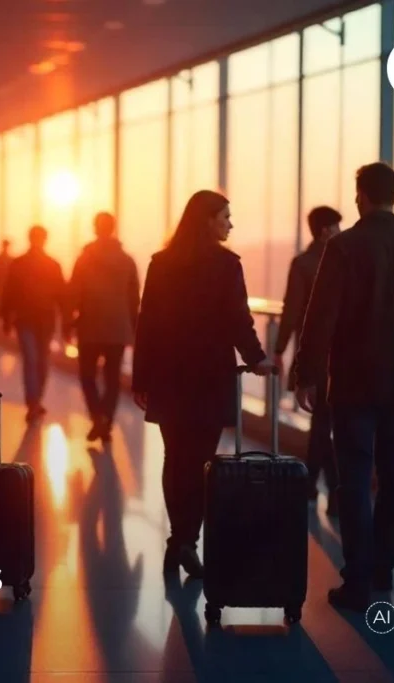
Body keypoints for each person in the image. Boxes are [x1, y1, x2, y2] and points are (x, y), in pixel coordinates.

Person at [293, 162, 394, 612]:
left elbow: (320, 316)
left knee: (354, 477)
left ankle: (358, 576)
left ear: (360, 196)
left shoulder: (344, 248)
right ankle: (386, 563)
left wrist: (307, 374)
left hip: (353, 382)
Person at [132, 190, 273, 580]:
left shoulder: (162, 264)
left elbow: (148, 322)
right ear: (207, 220)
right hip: (209, 375)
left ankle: (180, 541)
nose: (231, 223)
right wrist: (257, 358)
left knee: (175, 458)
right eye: (225, 216)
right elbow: (237, 319)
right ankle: (184, 543)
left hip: (167, 374)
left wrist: (141, 376)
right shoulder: (226, 265)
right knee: (198, 461)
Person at [274, 206, 342, 514]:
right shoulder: (343, 259)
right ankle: (328, 488)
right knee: (327, 422)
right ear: (326, 230)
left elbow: (291, 309)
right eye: (337, 226)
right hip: (340, 354)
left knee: (322, 421)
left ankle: (314, 484)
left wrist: (279, 348)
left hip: (312, 352)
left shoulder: (302, 263)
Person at [67, 212, 140, 442]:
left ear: (95, 228)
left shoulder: (85, 259)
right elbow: (133, 297)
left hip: (90, 325)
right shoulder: (127, 260)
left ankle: (97, 416)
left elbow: (74, 292)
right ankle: (106, 419)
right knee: (112, 378)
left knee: (87, 375)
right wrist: (134, 327)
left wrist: (69, 321)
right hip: (118, 328)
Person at [0, 225, 67, 421]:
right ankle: (35, 400)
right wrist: (66, 320)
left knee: (32, 360)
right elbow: (62, 294)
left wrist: (5, 317)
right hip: (44, 318)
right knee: (41, 360)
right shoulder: (53, 264)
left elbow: (9, 291)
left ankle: (33, 401)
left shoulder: (19, 263)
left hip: (25, 318)